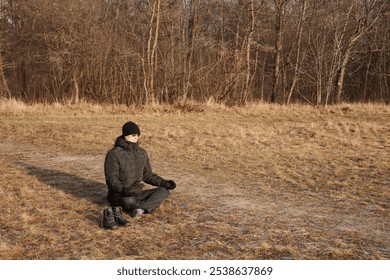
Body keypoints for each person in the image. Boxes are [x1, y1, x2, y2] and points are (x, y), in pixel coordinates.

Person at [101, 121, 176, 229]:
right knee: (129, 200)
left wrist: (164, 182)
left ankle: (140, 209)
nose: (136, 137)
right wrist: (124, 190)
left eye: (137, 135)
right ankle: (143, 207)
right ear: (125, 135)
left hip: (137, 192)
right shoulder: (114, 154)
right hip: (119, 195)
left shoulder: (142, 153)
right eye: (133, 135)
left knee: (164, 191)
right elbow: (111, 179)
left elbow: (147, 175)